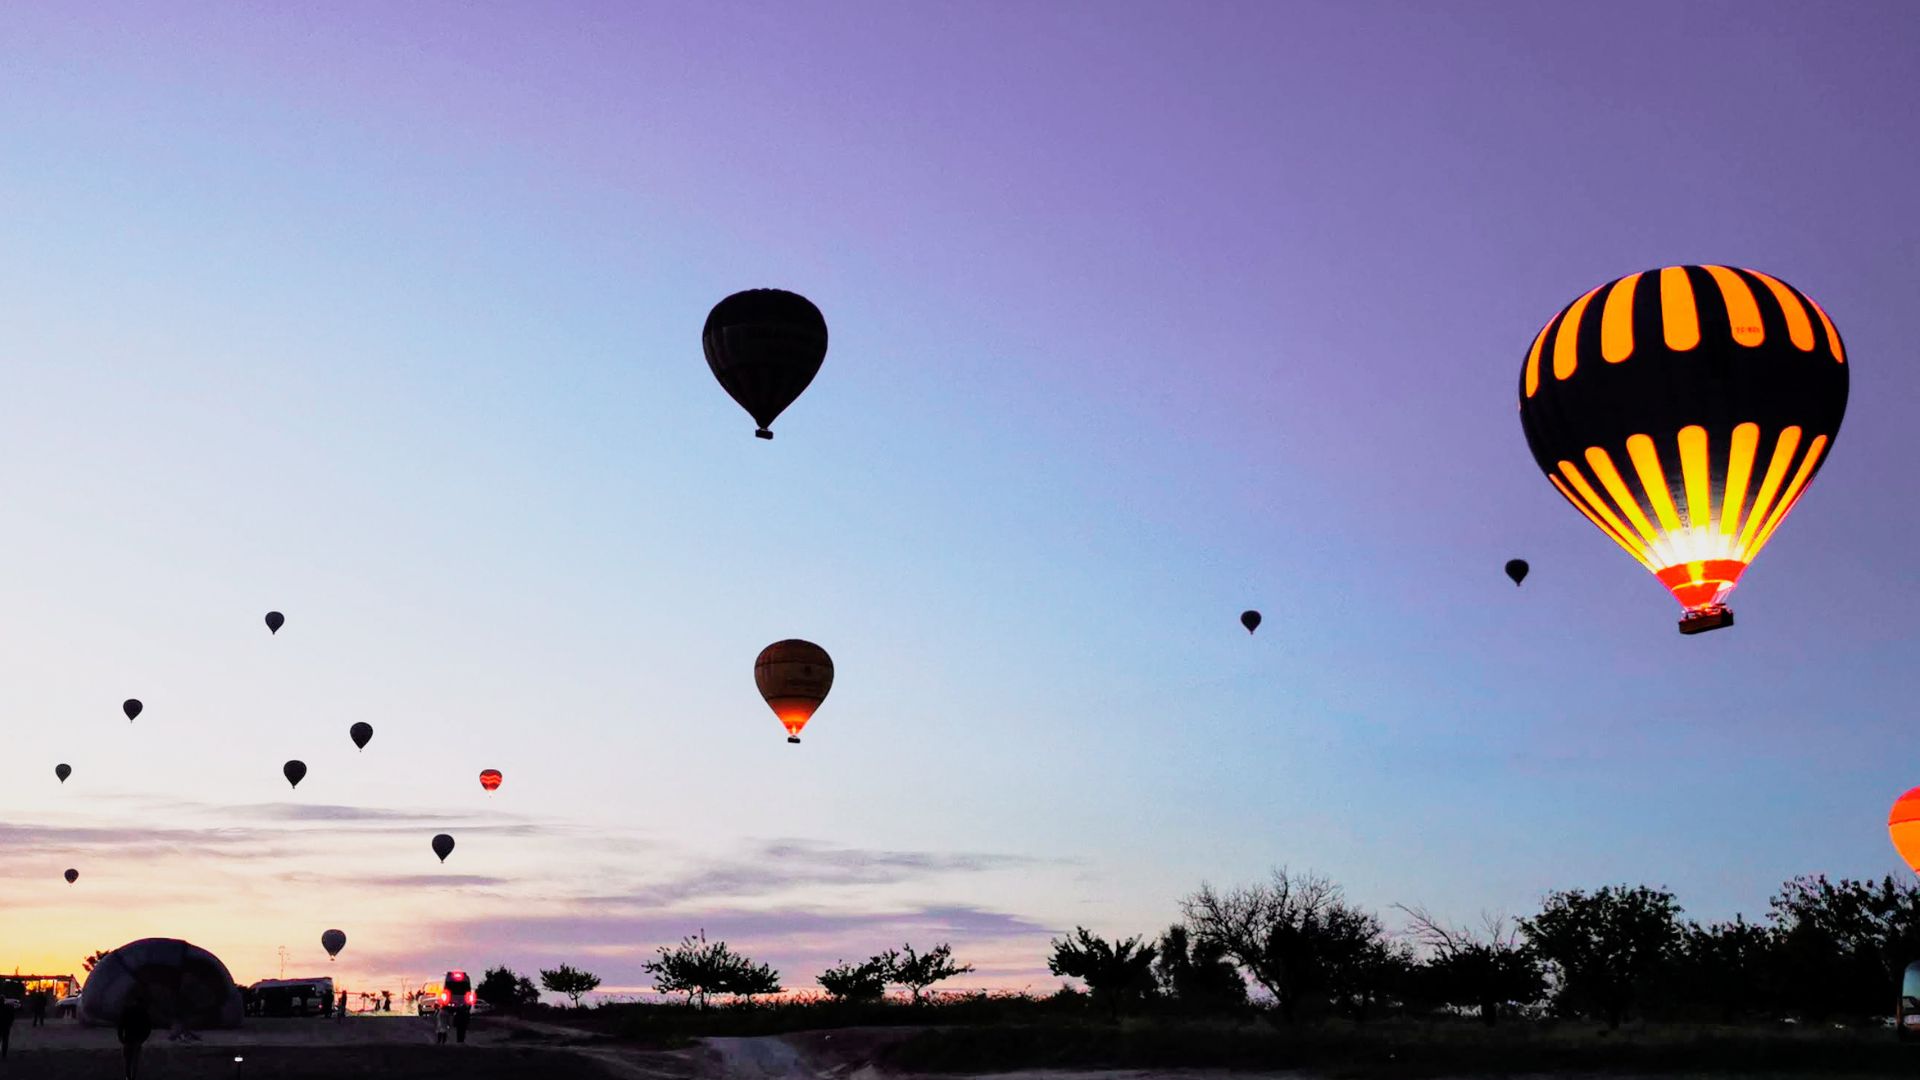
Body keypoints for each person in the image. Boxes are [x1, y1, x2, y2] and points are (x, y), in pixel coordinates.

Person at [118, 993, 153, 1080]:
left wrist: (121, 1037)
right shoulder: (143, 1013)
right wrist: (143, 1039)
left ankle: (128, 1077)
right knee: (134, 1061)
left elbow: (121, 1025)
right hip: (137, 1039)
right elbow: (148, 1027)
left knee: (127, 1061)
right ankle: (132, 1077)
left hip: (128, 1038)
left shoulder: (127, 1011)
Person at [1, 994, 15, 1060]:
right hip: (6, 1026)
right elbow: (12, 1016)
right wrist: (10, 1023)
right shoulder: (8, 1007)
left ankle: (4, 1054)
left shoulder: (8, 1007)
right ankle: (4, 1054)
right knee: (5, 1040)